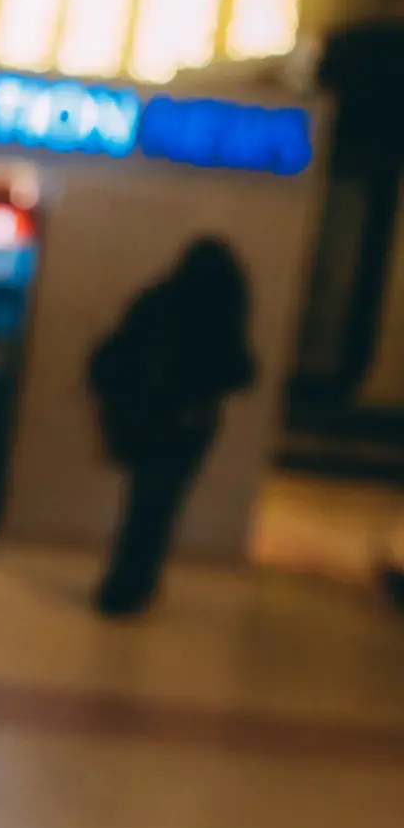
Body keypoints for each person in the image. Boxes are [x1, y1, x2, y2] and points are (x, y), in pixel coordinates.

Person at [88, 236, 256, 616]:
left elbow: (122, 353)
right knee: (162, 509)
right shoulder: (221, 311)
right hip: (190, 426)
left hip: (147, 420)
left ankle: (122, 585)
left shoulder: (158, 300)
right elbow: (238, 369)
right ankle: (137, 584)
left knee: (141, 505)